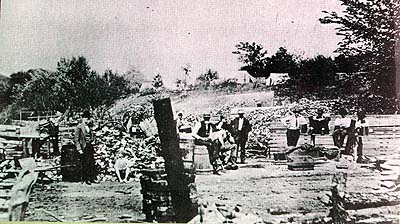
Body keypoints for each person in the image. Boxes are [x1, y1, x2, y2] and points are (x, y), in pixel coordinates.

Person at [74, 110, 98, 185]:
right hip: (83, 146)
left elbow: (92, 136)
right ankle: (85, 179)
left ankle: (91, 178)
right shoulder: (79, 127)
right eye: (85, 118)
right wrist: (79, 149)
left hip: (89, 146)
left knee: (91, 162)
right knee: (85, 163)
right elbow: (76, 139)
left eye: (88, 118)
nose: (87, 120)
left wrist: (93, 140)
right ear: (83, 119)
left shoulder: (89, 127)